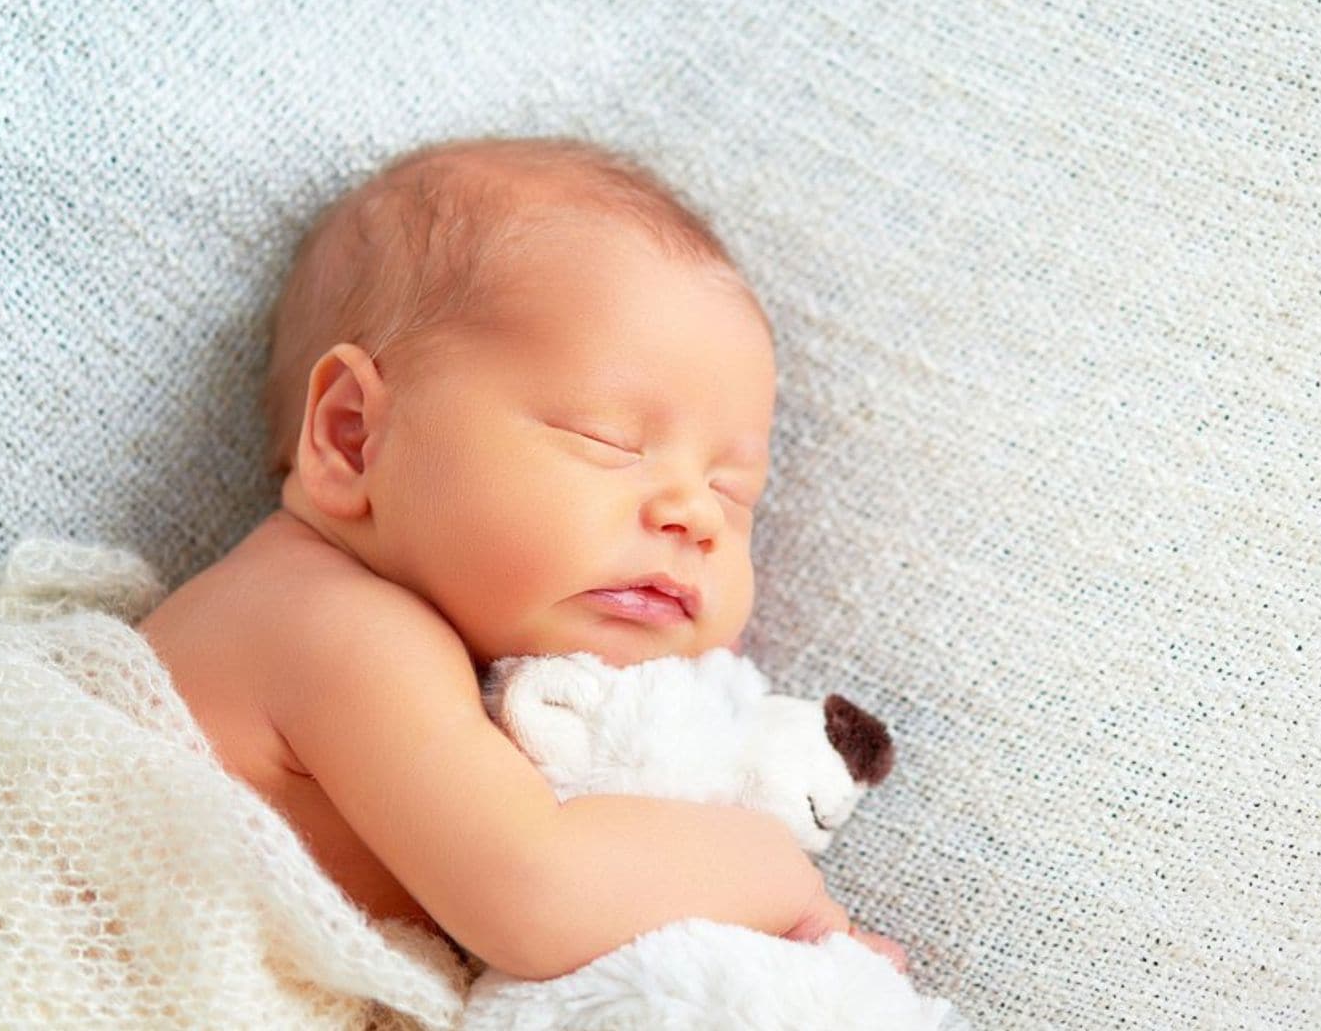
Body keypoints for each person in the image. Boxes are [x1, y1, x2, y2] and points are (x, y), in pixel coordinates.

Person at [134, 136, 905, 980]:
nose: (693, 515)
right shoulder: (327, 627)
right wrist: (781, 878)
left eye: (732, 491)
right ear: (354, 436)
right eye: (607, 439)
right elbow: (536, 895)